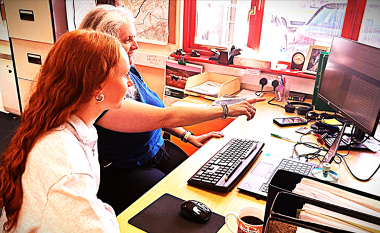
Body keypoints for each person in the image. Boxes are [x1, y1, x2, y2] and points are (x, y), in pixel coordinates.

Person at [79, 4, 266, 215]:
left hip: (156, 151)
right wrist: (225, 109)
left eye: (134, 37)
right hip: (125, 168)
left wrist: (187, 136)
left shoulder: (129, 71)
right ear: (104, 46)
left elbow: (153, 114)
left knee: (201, 185)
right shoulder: (99, 95)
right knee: (171, 208)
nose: (136, 45)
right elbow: (163, 116)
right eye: (127, 40)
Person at [0, 29, 132, 232]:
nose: (130, 82)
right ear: (98, 86)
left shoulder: (74, 126)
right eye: (125, 75)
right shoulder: (65, 159)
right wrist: (105, 214)